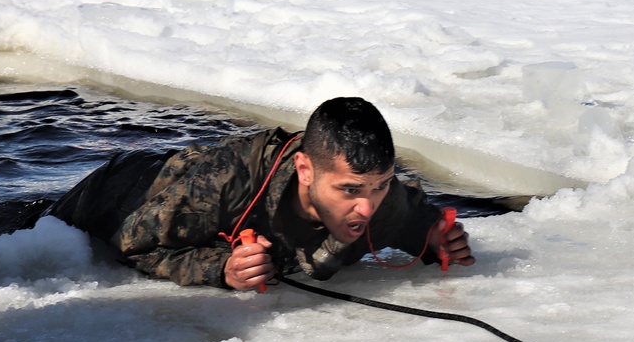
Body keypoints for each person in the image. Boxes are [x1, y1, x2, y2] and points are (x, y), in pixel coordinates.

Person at [48, 96, 474, 290]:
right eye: (348, 190)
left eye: (379, 186)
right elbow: (133, 245)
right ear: (305, 170)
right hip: (121, 194)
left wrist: (435, 240)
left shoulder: (383, 201)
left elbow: (419, 217)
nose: (366, 205)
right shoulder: (226, 184)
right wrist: (221, 270)